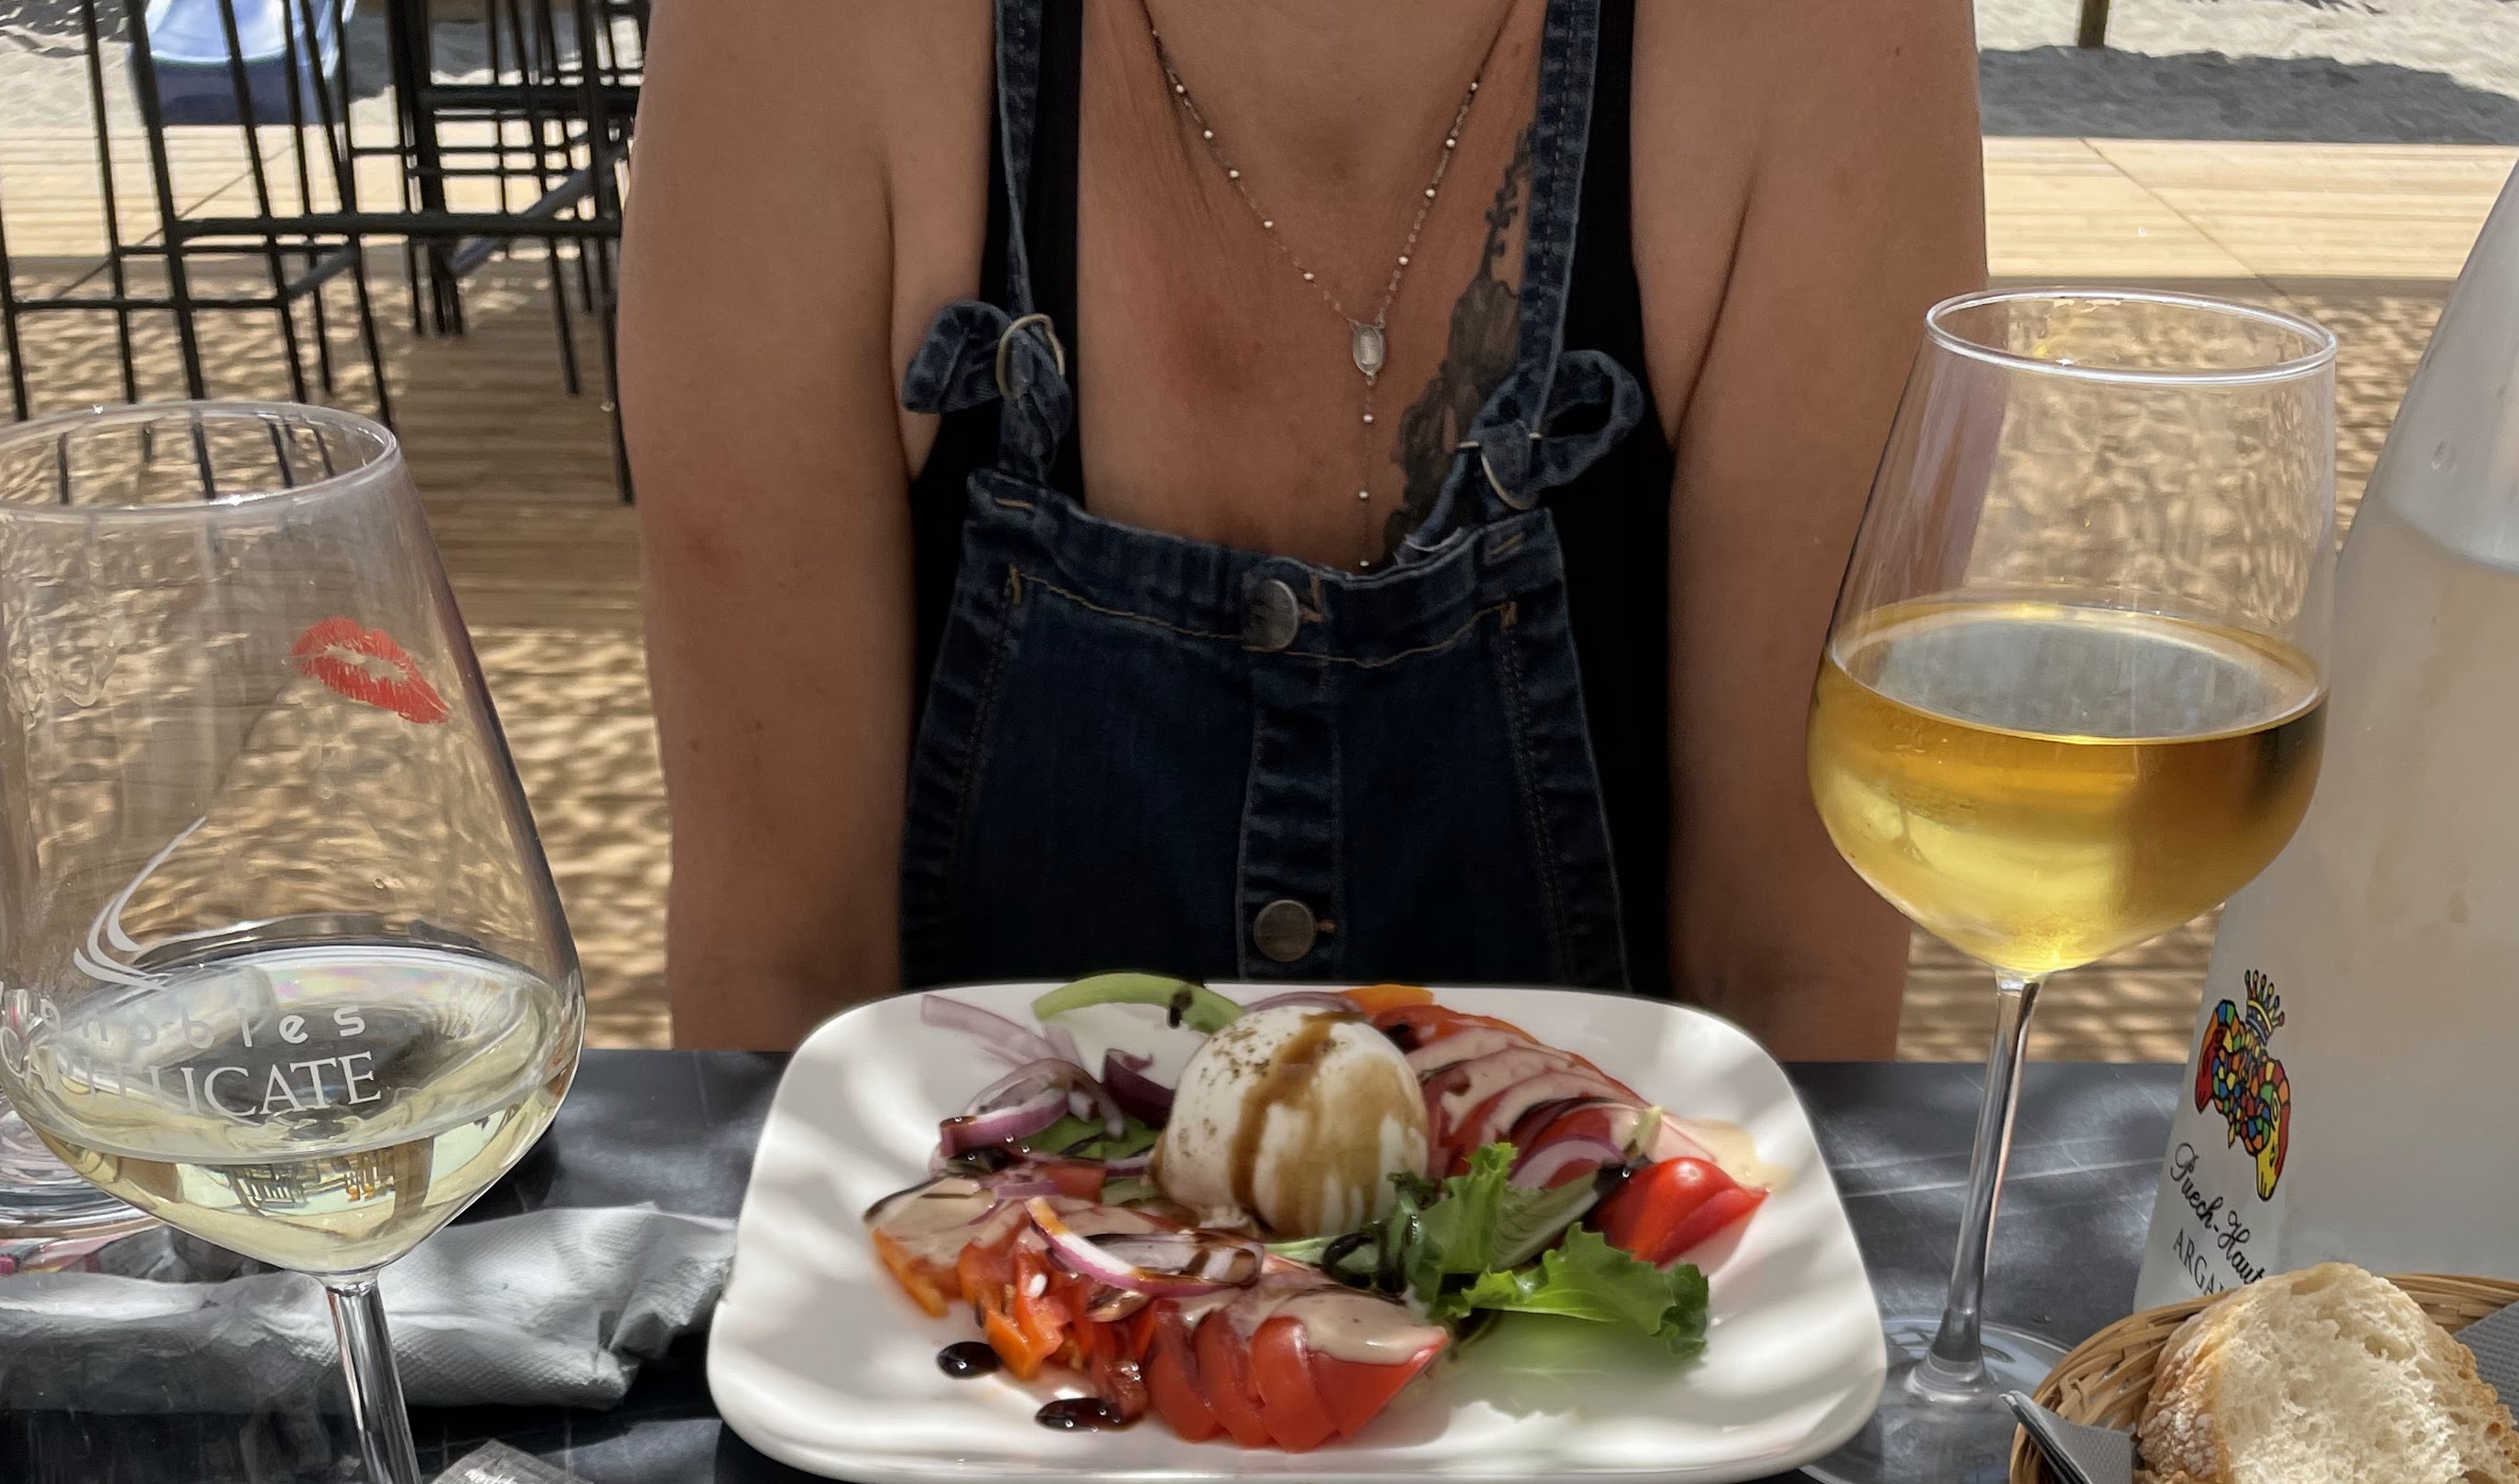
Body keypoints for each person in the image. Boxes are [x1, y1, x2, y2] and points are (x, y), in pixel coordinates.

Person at [622, 0, 1982, 1059]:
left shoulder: (1828, 39)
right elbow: (779, 996)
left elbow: (1792, 1007)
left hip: (1606, 1333)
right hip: (959, 1320)